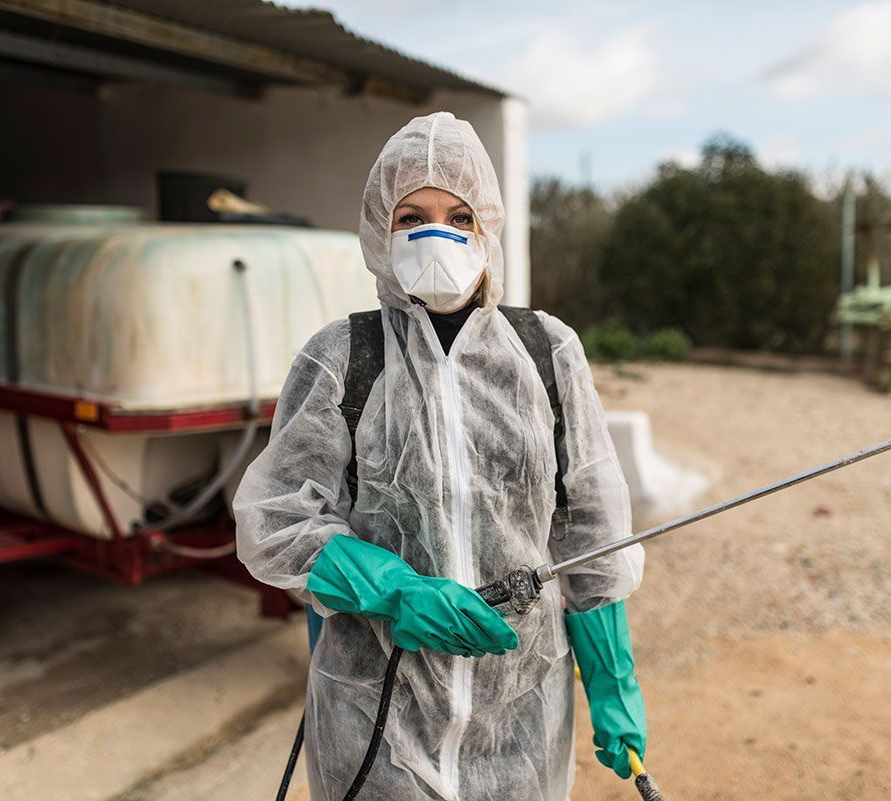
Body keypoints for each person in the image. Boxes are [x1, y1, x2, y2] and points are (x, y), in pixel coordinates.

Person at [234, 111, 646, 801]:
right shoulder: (342, 357)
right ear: (378, 229)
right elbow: (275, 517)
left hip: (521, 723)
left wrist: (612, 684)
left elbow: (593, 532)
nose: (437, 234)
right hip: (374, 724)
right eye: (411, 216)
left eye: (459, 215)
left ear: (487, 226)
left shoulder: (546, 352)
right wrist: (395, 590)